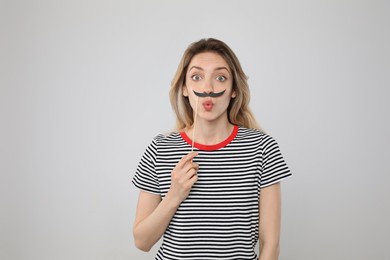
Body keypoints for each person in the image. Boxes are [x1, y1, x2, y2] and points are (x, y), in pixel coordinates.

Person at [132, 38, 291, 260]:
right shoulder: (160, 148)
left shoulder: (262, 148)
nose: (208, 88)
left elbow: (270, 243)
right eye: (197, 77)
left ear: (234, 89)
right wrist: (174, 195)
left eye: (220, 78)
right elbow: (142, 241)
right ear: (185, 88)